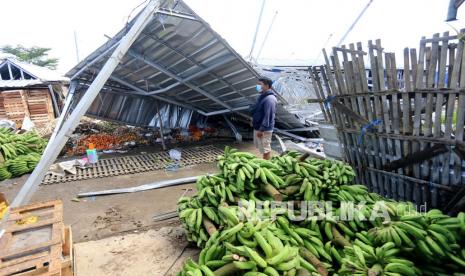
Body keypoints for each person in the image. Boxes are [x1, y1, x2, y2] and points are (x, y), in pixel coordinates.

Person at [250, 77, 277, 160]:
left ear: (267, 86)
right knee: (262, 147)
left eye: (260, 84)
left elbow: (268, 116)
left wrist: (261, 130)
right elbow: (259, 111)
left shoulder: (270, 99)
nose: (258, 86)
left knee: (265, 149)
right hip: (259, 127)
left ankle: (266, 165)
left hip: (264, 129)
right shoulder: (263, 96)